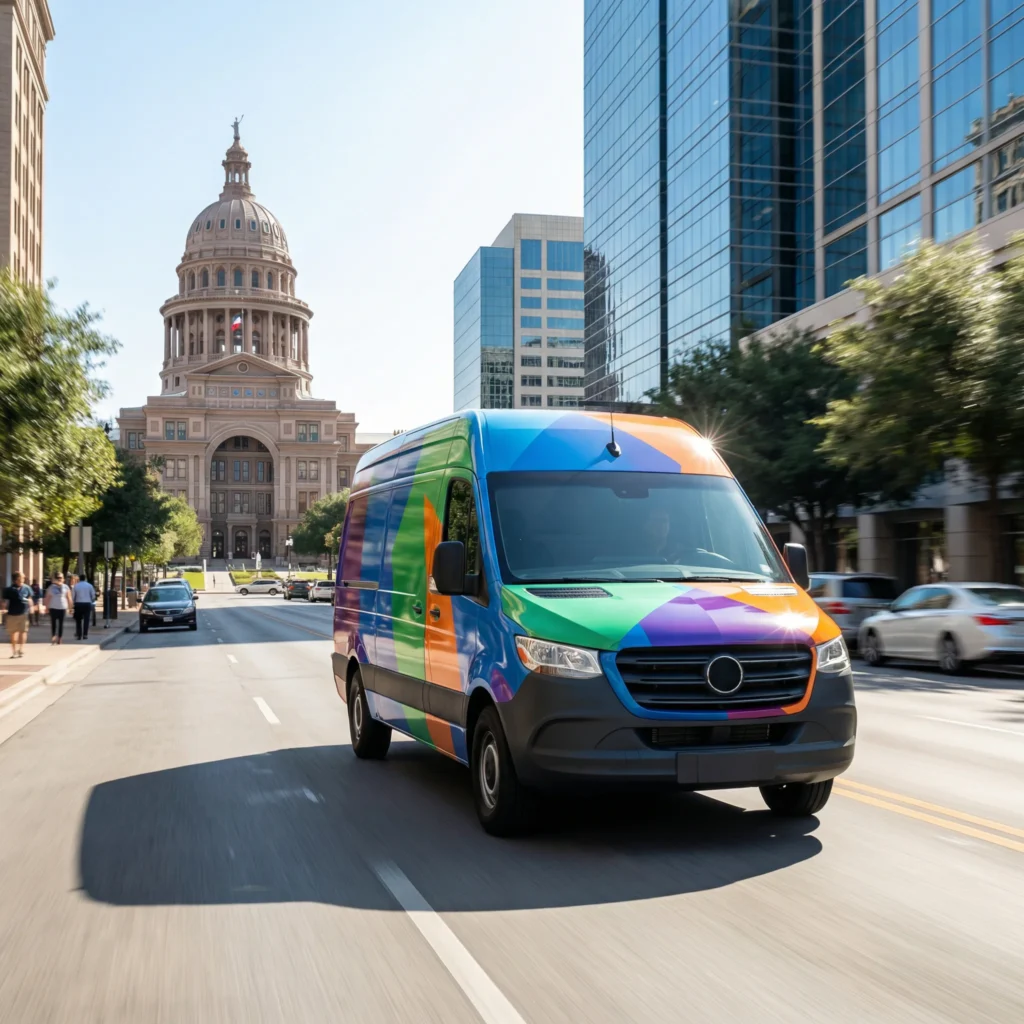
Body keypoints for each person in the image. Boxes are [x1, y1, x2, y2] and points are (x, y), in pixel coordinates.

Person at [1, 571, 32, 658]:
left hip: (24, 614)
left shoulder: (27, 588)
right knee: (13, 634)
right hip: (12, 615)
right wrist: (3, 609)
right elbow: (4, 601)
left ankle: (21, 649)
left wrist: (32, 607)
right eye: (22, 578)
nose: (24, 579)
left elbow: (30, 598)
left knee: (23, 632)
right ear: (16, 579)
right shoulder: (9, 590)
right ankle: (14, 651)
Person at [43, 573, 71, 645]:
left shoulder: (66, 587)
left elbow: (69, 597)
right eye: (58, 577)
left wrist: (71, 607)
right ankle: (53, 636)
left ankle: (60, 638)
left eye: (61, 577)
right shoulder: (51, 587)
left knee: (61, 624)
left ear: (63, 579)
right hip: (53, 607)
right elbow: (47, 597)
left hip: (62, 608)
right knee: (53, 623)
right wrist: (46, 607)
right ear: (55, 579)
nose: (59, 579)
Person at [72, 573, 97, 640]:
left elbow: (73, 597)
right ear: (85, 578)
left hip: (78, 604)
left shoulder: (76, 586)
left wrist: (73, 604)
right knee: (86, 620)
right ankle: (85, 634)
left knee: (78, 620)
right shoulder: (89, 586)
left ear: (79, 579)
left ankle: (79, 635)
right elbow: (93, 596)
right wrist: (91, 601)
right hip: (87, 604)